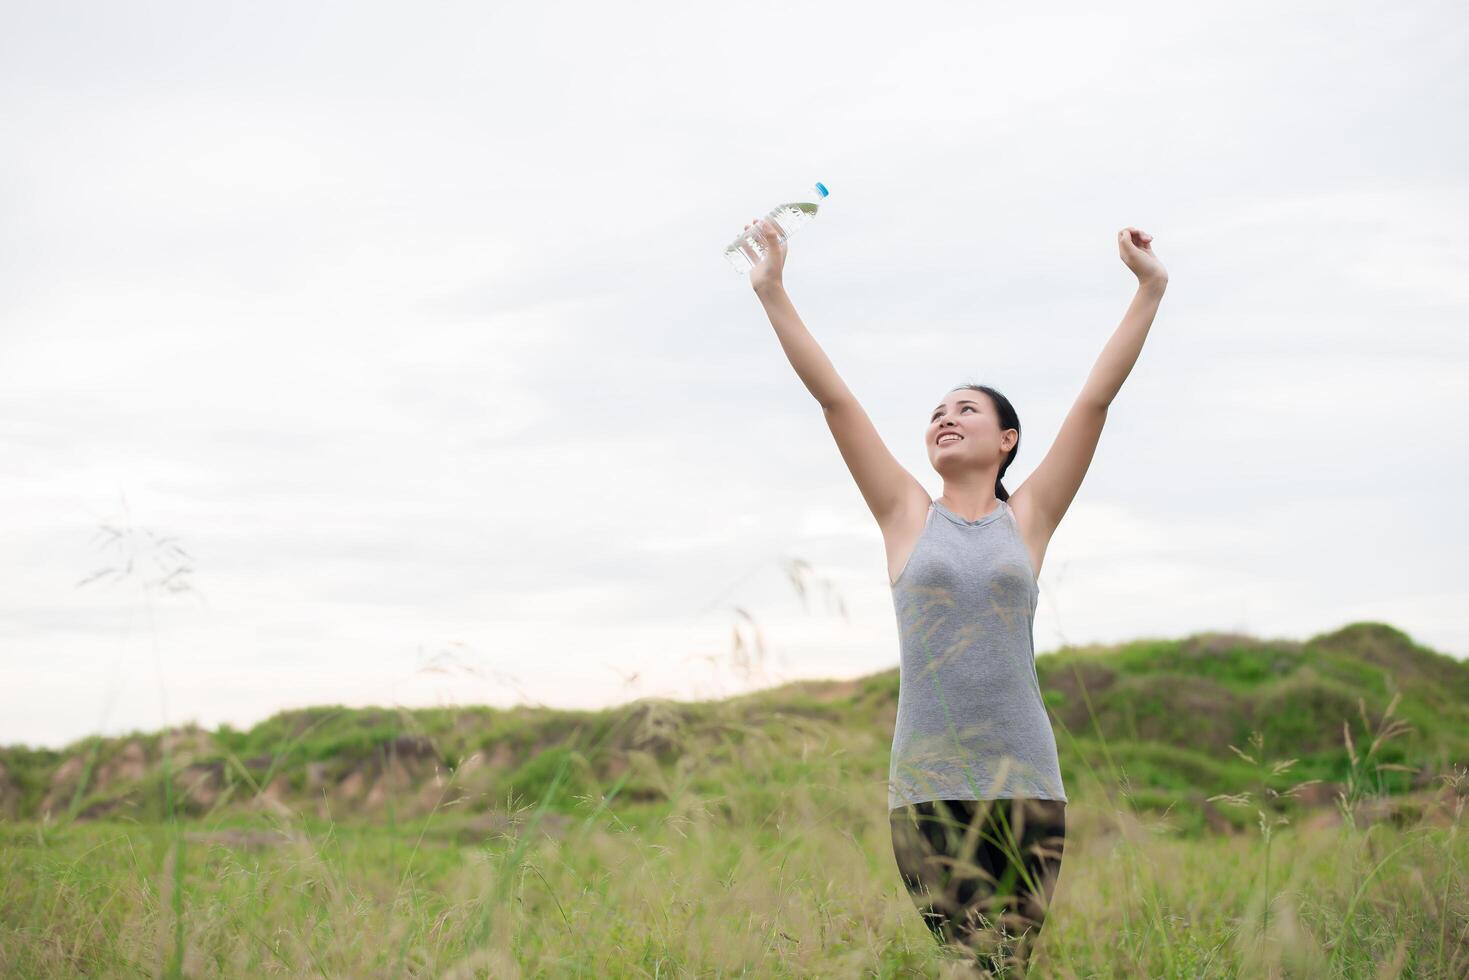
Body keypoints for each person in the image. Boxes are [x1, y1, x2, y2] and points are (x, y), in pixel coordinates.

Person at [742, 214, 1169, 974]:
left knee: (1006, 963)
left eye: (965, 409)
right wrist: (773, 290)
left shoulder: (1027, 519)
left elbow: (1093, 403)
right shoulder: (906, 516)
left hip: (1026, 777)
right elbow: (837, 402)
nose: (945, 417)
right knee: (966, 962)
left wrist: (1149, 287)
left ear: (1006, 439)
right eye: (936, 412)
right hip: (927, 783)